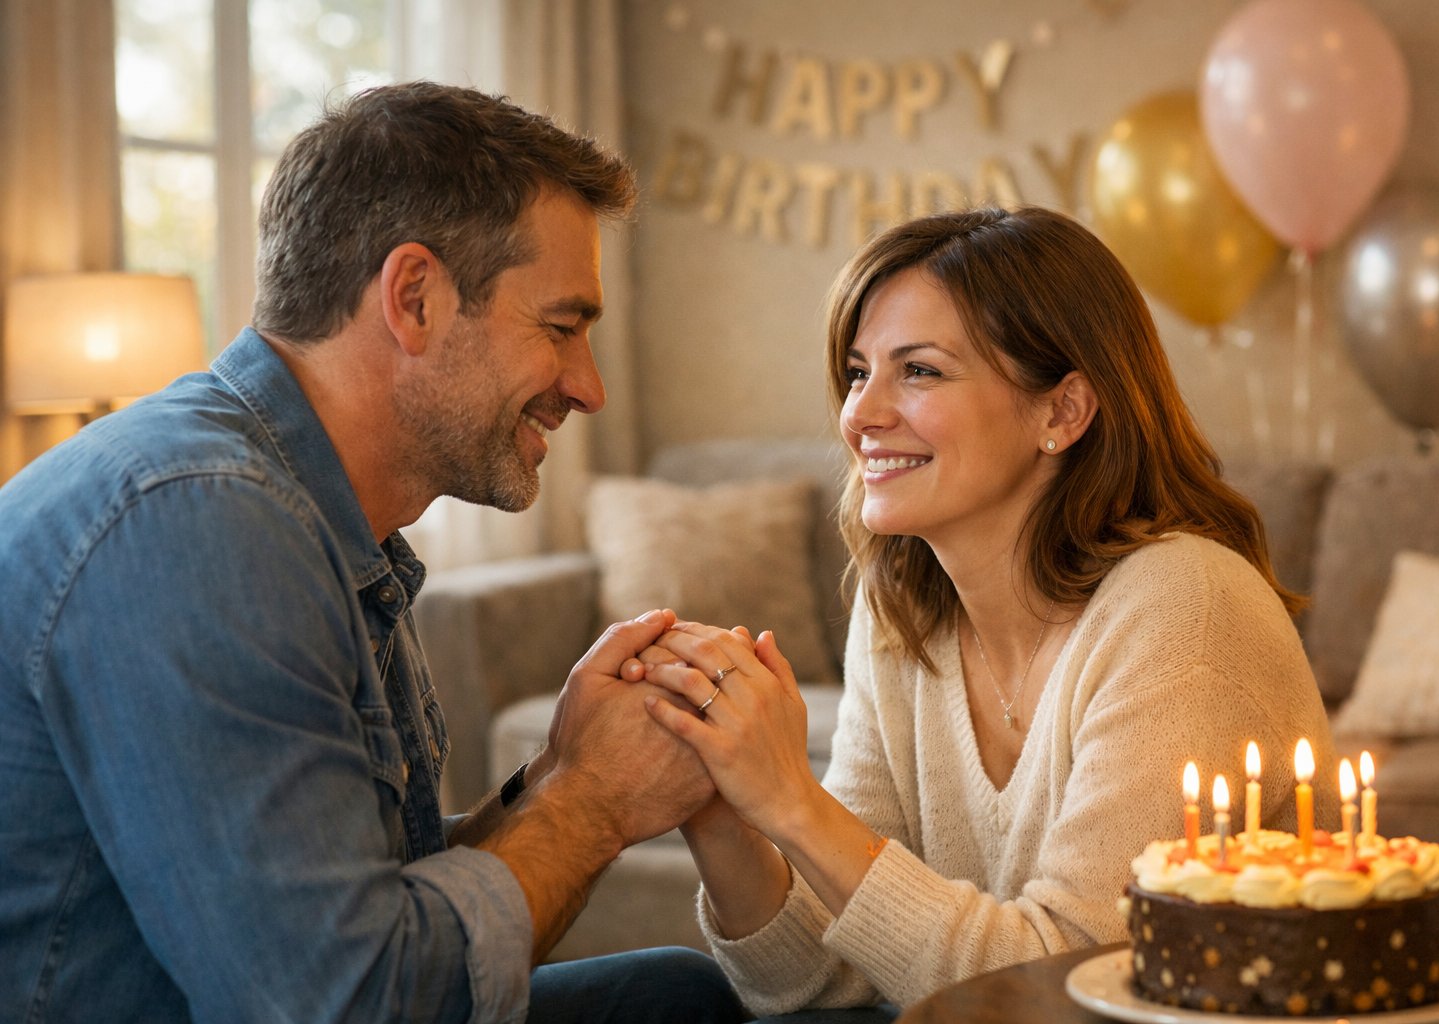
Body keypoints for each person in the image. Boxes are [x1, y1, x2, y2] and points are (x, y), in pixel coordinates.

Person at [0, 82, 745, 1024]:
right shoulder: (201, 524)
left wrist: (558, 770)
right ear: (416, 297)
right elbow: (345, 1001)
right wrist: (592, 805)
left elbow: (374, 897)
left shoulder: (320, 516)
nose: (588, 387)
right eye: (561, 328)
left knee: (669, 995)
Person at [630, 206, 1340, 1019]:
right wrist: (725, 810)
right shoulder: (902, 606)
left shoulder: (1186, 608)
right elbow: (817, 984)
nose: (860, 415)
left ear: (1062, 413)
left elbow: (1068, 991)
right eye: (859, 372)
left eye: (920, 371)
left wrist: (794, 799)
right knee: (669, 993)